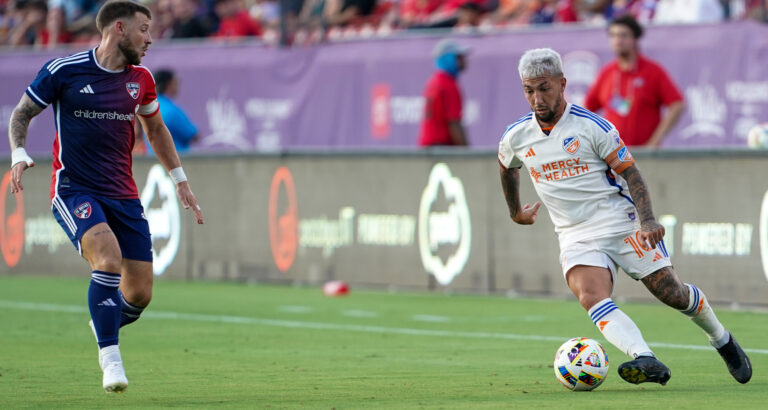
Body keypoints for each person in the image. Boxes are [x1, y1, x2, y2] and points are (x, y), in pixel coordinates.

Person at [498, 48, 751, 386]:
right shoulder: (516, 135)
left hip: (620, 221)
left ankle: (722, 340)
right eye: (529, 90)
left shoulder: (592, 126)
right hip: (574, 233)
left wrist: (647, 220)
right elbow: (507, 168)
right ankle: (644, 357)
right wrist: (515, 211)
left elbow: (631, 173)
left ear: (562, 83)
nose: (536, 98)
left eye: (544, 87)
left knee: (672, 293)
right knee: (590, 296)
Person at [7, 0, 204, 393]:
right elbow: (21, 114)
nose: (150, 39)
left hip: (124, 195)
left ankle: (103, 317)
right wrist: (19, 152)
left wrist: (180, 179)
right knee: (108, 260)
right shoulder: (65, 70)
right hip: (74, 188)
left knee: (140, 293)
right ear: (119, 28)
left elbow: (156, 130)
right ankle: (111, 360)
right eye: (144, 29)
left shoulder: (142, 79)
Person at [584, 15, 685, 147]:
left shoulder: (652, 71)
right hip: (613, 156)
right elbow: (586, 110)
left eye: (623, 35)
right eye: (613, 35)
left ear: (635, 39)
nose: (617, 40)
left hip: (645, 156)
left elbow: (677, 105)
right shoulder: (606, 72)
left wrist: (654, 143)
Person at [417, 38, 469, 147]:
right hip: (442, 147)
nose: (464, 60)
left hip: (428, 147)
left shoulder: (434, 81)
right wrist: (467, 155)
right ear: (449, 59)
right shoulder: (448, 84)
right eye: (458, 57)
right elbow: (453, 123)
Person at [154, 69, 199, 152]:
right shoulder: (172, 111)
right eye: (175, 82)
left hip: (152, 161)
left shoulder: (149, 108)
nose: (177, 86)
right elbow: (194, 135)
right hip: (175, 161)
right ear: (169, 84)